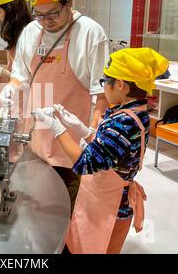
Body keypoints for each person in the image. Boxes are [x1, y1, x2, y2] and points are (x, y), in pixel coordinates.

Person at [34, 47, 169, 254]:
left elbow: (86, 162)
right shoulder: (133, 112)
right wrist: (82, 129)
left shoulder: (123, 122)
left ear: (121, 85)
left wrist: (57, 128)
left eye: (105, 81)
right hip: (108, 200)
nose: (104, 87)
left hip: (111, 208)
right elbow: (107, 152)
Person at [0, 0, 110, 214]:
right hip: (36, 139)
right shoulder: (30, 32)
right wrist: (11, 88)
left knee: (65, 213)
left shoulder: (91, 34)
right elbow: (21, 74)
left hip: (71, 145)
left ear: (69, 2)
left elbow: (101, 93)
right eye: (39, 15)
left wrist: (93, 139)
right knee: (38, 208)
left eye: (53, 13)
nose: (46, 20)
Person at [0, 0, 33, 77]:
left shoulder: (27, 35)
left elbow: (26, 77)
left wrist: (0, 70)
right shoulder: (14, 34)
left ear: (10, 10)